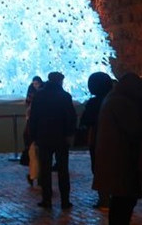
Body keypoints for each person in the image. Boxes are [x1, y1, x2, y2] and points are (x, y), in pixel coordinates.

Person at [93, 72, 142, 225]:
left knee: (121, 200)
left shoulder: (114, 99)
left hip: (116, 158)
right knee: (124, 200)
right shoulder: (121, 102)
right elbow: (134, 129)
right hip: (121, 159)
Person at [28, 71, 77, 210]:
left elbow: (34, 117)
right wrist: (69, 134)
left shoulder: (39, 95)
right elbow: (71, 117)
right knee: (63, 170)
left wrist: (34, 136)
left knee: (45, 169)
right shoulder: (65, 96)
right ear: (60, 81)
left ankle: (46, 199)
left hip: (43, 137)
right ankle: (65, 200)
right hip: (61, 138)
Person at [80, 72, 113, 208]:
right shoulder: (114, 99)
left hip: (97, 139)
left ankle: (104, 197)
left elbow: (86, 121)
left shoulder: (93, 103)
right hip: (113, 139)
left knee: (98, 167)